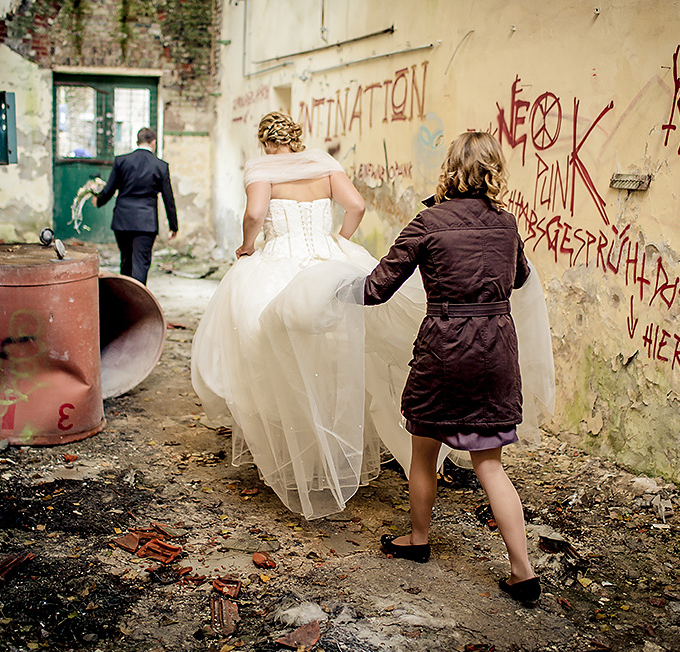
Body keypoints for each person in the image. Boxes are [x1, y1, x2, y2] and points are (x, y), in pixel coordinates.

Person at [191, 111, 427, 519]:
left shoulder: (262, 166)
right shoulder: (324, 163)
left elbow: (254, 214)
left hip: (281, 259)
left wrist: (248, 246)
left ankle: (292, 445)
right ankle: (333, 449)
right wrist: (339, 241)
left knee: (261, 345)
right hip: (327, 258)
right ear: (296, 138)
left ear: (265, 141)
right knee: (341, 350)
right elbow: (356, 205)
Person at [362, 131, 554, 604]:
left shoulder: (428, 222)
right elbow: (521, 278)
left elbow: (376, 289)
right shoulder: (507, 225)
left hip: (443, 351)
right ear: (494, 171)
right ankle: (522, 571)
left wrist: (334, 284)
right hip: (495, 350)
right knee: (489, 464)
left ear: (449, 169)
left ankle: (418, 539)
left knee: (423, 451)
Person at [94, 127, 178, 285]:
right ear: (153, 142)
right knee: (141, 263)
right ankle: (138, 303)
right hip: (146, 223)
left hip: (122, 220)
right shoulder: (160, 166)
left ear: (137, 141)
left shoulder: (121, 161)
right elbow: (168, 198)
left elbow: (110, 188)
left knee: (126, 260)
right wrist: (173, 225)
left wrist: (99, 201)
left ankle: (125, 302)